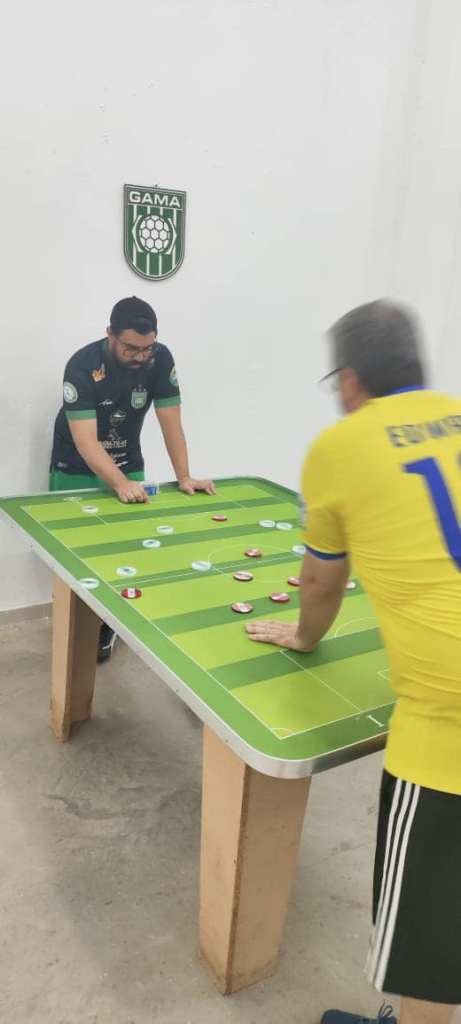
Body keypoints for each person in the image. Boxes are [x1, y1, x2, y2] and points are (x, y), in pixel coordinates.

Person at [246, 300, 461, 1024]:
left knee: (429, 937)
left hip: (447, 732)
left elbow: (320, 582)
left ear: (348, 380)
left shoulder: (338, 447)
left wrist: (305, 636)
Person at [50, 295, 215, 662]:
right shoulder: (82, 364)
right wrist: (119, 483)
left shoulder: (160, 358)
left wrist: (184, 476)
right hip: (75, 466)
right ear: (110, 334)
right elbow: (86, 441)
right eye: (131, 348)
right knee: (74, 554)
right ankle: (71, 625)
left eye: (147, 347)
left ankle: (107, 626)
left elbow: (171, 423)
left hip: (128, 461)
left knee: (126, 554)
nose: (141, 356)